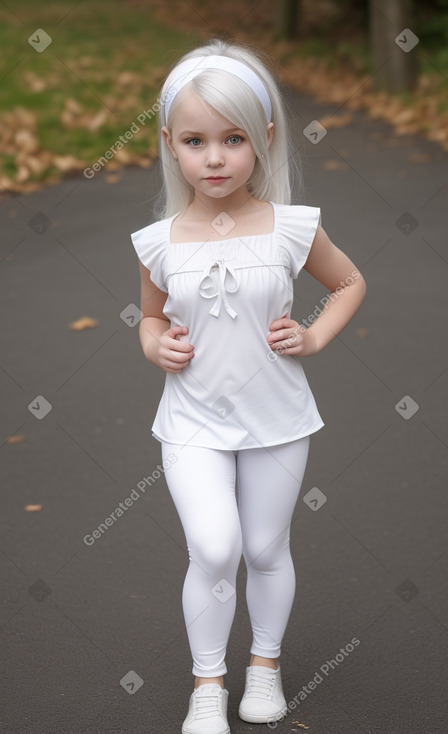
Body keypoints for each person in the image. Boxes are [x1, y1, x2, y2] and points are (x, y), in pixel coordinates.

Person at [131, 37, 366, 734]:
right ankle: (209, 682)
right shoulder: (159, 242)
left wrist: (315, 335)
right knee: (213, 546)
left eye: (232, 139)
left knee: (264, 548)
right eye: (196, 140)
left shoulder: (291, 228)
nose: (213, 158)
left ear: (263, 139)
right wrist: (156, 345)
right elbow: (148, 319)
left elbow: (349, 281)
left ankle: (264, 664)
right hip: (193, 419)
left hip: (277, 417)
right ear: (170, 143)